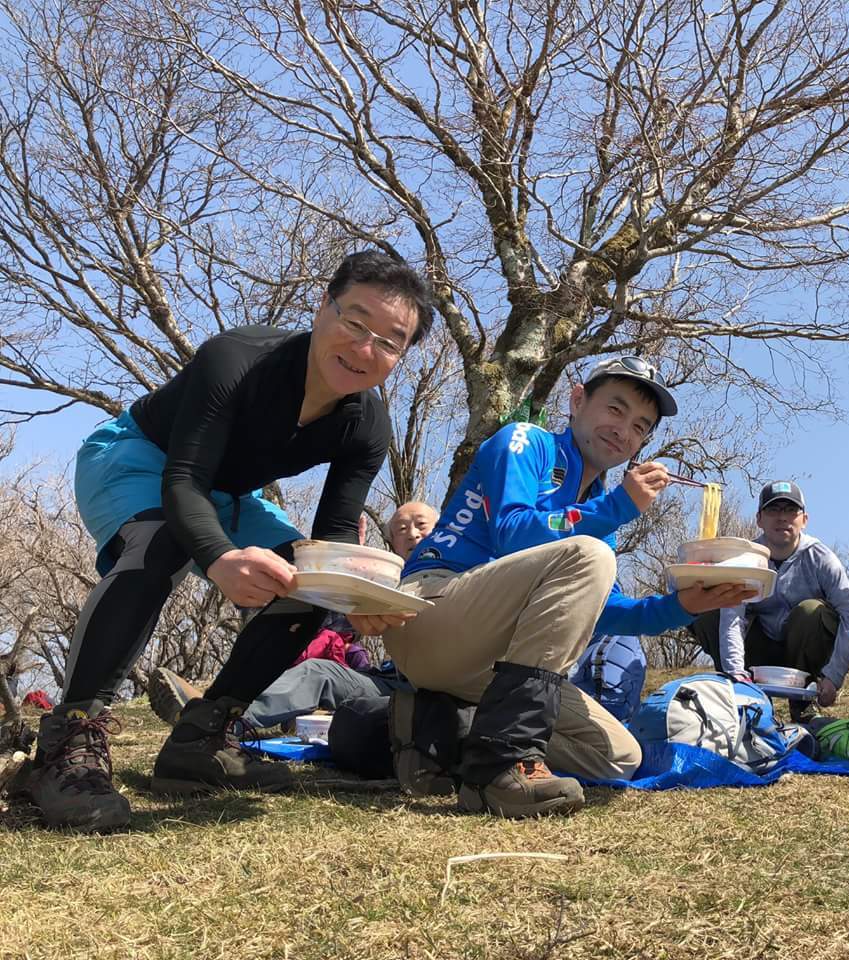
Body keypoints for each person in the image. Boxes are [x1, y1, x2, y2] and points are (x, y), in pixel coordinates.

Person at [23, 251, 432, 832]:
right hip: (141, 457)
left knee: (313, 576)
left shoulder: (366, 423)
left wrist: (356, 595)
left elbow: (338, 532)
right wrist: (217, 557)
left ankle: (203, 735)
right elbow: (183, 482)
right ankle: (68, 743)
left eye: (389, 342)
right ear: (322, 308)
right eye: (355, 322)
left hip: (230, 494)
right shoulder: (237, 358)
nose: (366, 349)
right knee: (166, 541)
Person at [367, 357, 754, 818]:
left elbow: (605, 612)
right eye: (615, 409)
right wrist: (616, 507)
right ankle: (501, 764)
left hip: (492, 666)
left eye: (639, 426)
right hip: (430, 609)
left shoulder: (598, 509)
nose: (624, 430)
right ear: (576, 400)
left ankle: (442, 730)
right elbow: (511, 531)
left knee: (618, 757)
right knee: (590, 554)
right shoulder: (526, 442)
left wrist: (683, 605)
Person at [147, 501, 440, 730]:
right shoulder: (387, 578)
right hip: (388, 683)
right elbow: (333, 622)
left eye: (421, 525)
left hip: (440, 689)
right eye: (401, 529)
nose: (412, 533)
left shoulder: (464, 568)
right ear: (392, 542)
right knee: (317, 672)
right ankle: (214, 721)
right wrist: (351, 568)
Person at [689, 481, 849, 721]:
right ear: (759, 519)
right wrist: (735, 671)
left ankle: (804, 705)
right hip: (756, 652)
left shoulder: (822, 558)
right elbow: (732, 619)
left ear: (805, 519)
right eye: (773, 510)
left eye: (791, 510)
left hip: (804, 654)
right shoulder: (746, 559)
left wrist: (834, 677)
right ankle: (744, 699)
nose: (782, 518)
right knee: (712, 608)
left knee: (812, 611)